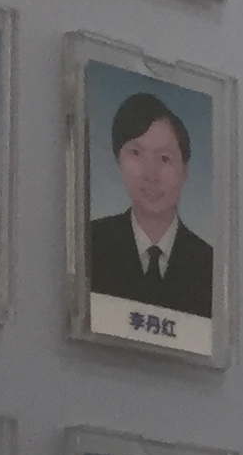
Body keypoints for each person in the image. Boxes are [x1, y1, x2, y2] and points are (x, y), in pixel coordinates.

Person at [84, 90, 216, 317]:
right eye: (136, 153)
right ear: (118, 160)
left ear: (184, 170)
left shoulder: (210, 264)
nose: (151, 174)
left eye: (164, 158)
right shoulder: (88, 243)